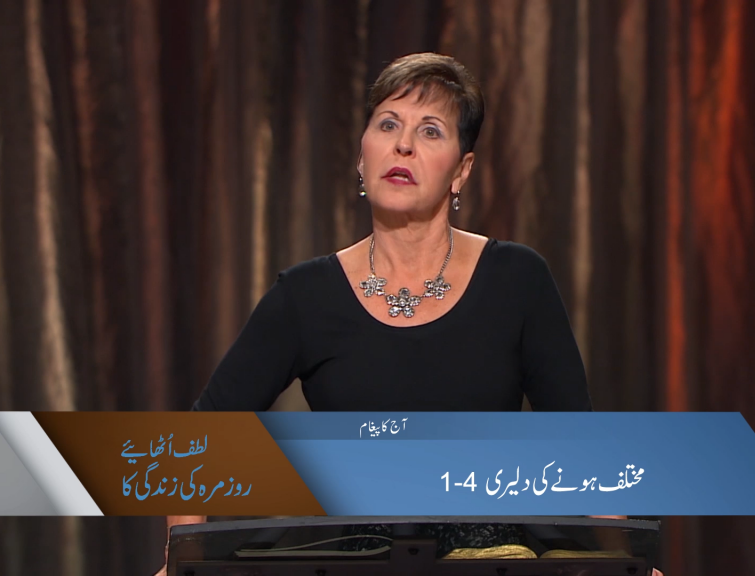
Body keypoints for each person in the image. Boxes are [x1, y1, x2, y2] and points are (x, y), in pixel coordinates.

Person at [155, 52, 661, 576]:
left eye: (430, 131)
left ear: (461, 171)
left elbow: (578, 443)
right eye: (388, 124)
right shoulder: (305, 295)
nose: (403, 145)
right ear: (361, 157)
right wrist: (179, 562)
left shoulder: (518, 278)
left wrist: (629, 564)